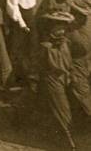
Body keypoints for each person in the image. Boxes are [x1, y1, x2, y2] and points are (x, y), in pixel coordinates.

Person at [38, 11, 76, 150]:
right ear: (51, 27)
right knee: (62, 110)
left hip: (64, 79)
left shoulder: (66, 43)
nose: (62, 30)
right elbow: (41, 66)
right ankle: (68, 143)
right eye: (58, 27)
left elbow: (68, 62)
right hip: (52, 80)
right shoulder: (45, 46)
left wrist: (70, 75)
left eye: (64, 27)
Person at [67, 0, 91, 120]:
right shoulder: (88, 21)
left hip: (78, 63)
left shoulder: (74, 32)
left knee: (82, 91)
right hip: (86, 60)